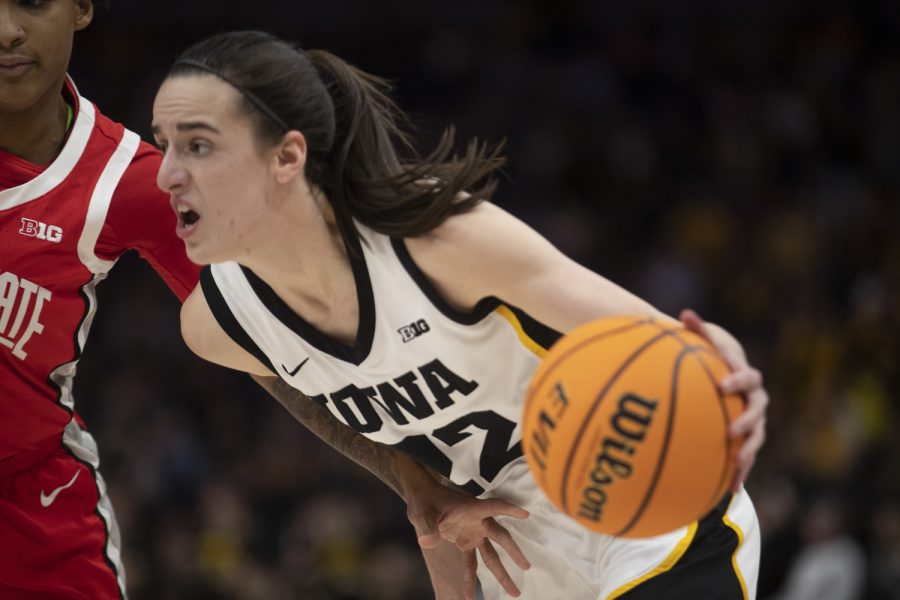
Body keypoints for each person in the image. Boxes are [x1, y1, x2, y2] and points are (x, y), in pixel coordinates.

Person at [153, 30, 769, 599]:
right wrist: (411, 481)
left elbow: (666, 338)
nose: (166, 176)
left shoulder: (431, 237)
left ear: (286, 157)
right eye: (164, 146)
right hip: (517, 552)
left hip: (643, 494)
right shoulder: (217, 328)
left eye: (198, 146)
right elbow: (293, 383)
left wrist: (732, 368)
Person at [0, 4, 514, 598]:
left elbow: (270, 350)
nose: (8, 29)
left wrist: (408, 476)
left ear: (81, 6)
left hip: (31, 515)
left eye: (33, 1)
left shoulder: (131, 184)